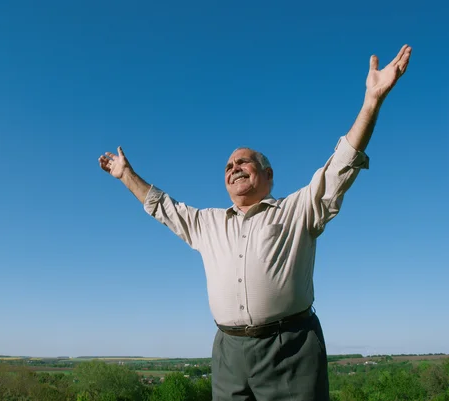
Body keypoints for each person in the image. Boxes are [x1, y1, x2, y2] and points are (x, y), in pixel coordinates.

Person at [98, 44, 411, 401]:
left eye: (244, 162)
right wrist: (126, 175)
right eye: (229, 166)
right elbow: (162, 206)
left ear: (267, 174)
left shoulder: (299, 209)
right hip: (228, 352)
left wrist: (371, 102)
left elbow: (341, 166)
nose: (234, 168)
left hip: (290, 349)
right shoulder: (207, 223)